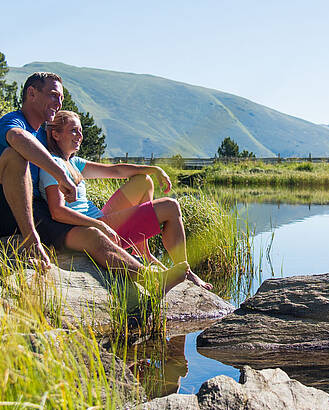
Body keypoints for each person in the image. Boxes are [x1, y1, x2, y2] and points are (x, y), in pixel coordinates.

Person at [39, 109, 212, 290]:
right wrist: (100, 225)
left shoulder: (73, 162)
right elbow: (57, 211)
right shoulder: (52, 165)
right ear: (56, 134)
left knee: (143, 181)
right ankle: (186, 272)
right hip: (91, 228)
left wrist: (155, 170)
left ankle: (143, 251)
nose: (80, 136)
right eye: (74, 130)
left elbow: (115, 170)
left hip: (100, 219)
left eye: (81, 131)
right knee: (170, 206)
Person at [0, 72, 78, 269]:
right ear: (32, 93)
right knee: (16, 156)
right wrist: (61, 176)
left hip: (35, 210)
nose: (58, 103)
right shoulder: (13, 121)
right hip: (5, 205)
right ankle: (30, 241)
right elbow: (17, 137)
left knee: (92, 237)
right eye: (53, 95)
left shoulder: (45, 134)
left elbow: (72, 158)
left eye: (61, 98)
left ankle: (146, 275)